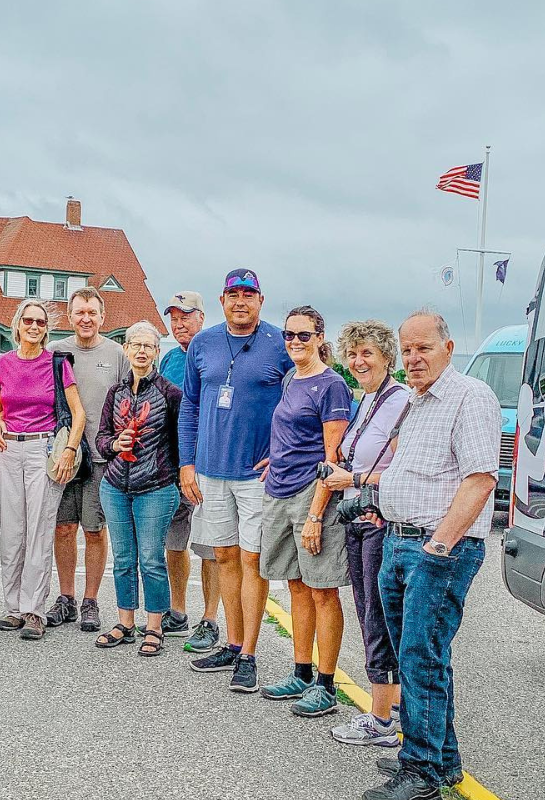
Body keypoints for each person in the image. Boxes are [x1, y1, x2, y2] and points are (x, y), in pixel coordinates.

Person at [361, 309, 500, 800]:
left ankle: (419, 770)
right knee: (418, 657)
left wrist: (439, 546)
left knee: (422, 657)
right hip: (399, 542)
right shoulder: (415, 402)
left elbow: (481, 479)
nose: (413, 358)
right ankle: (442, 760)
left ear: (448, 347)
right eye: (407, 349)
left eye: (423, 348)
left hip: (438, 550)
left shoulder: (470, 397)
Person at [180, 268, 292, 693]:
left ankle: (249, 653)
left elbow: (299, 402)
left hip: (257, 475)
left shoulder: (280, 344)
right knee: (224, 556)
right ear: (222, 300)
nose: (241, 301)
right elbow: (190, 404)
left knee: (252, 559)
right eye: (233, 294)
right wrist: (187, 464)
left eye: (249, 294)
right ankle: (231, 640)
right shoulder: (203, 344)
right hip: (210, 471)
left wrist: (281, 454)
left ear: (261, 300)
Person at [258, 307, 352, 717]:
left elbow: (333, 459)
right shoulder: (290, 378)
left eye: (303, 335)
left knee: (322, 590)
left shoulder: (333, 386)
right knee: (296, 586)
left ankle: (327, 685)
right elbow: (291, 433)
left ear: (319, 337)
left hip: (311, 497)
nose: (295, 342)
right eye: (289, 335)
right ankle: (300, 671)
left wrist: (316, 514)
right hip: (279, 489)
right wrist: (274, 459)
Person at [321, 320, 409, 746]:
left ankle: (383, 721)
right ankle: (387, 714)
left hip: (379, 520)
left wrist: (351, 479)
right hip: (358, 518)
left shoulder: (400, 402)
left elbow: (401, 469)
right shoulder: (366, 399)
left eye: (367, 354)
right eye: (353, 355)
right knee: (369, 614)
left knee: (380, 617)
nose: (358, 362)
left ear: (387, 358)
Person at [0, 299, 85, 641]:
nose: (34, 326)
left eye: (40, 322)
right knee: (12, 532)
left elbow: (79, 414)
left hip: (44, 449)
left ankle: (34, 611)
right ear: (16, 325)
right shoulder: (3, 364)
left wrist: (69, 451)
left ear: (46, 329)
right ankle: (12, 607)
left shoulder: (57, 364)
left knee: (40, 532)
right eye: (28, 321)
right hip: (8, 449)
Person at [93, 322, 182, 657]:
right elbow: (101, 440)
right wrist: (115, 443)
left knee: (151, 559)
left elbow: (181, 442)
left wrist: (174, 476)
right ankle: (125, 622)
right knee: (124, 558)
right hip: (115, 485)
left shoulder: (170, 393)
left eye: (148, 346)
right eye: (136, 345)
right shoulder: (115, 393)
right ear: (126, 349)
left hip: (155, 487)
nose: (141, 351)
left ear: (156, 352)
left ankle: (155, 626)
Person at [45, 287, 131, 633]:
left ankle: (90, 600)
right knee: (63, 528)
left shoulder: (116, 354)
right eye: (79, 312)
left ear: (102, 317)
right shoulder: (54, 352)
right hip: (63, 454)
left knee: (94, 531)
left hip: (100, 457)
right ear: (70, 316)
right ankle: (65, 597)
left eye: (92, 312)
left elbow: (129, 402)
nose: (86, 318)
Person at [160, 290, 222, 652]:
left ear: (201, 317)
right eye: (174, 317)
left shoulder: (214, 354)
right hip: (173, 465)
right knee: (175, 541)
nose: (179, 323)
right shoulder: (168, 359)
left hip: (210, 464)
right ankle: (178, 610)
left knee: (211, 546)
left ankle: (210, 619)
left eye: (186, 316)